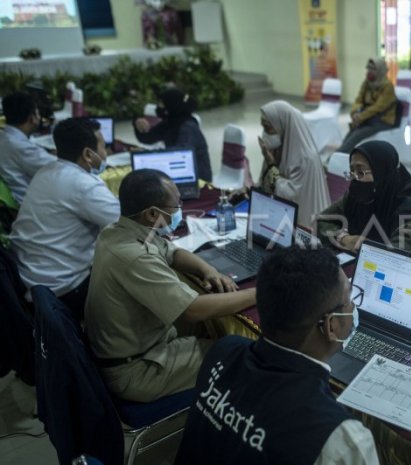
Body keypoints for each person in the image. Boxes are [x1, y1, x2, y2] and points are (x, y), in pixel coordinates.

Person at [175, 246, 411, 465]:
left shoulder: (222, 351)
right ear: (332, 326)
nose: (355, 306)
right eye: (351, 299)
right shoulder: (338, 437)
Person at [84, 169, 256, 402]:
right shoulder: (135, 257)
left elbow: (172, 252)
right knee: (242, 355)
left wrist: (208, 270)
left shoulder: (116, 231)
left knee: (215, 326)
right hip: (138, 370)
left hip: (139, 345)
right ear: (152, 213)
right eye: (176, 206)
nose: (180, 210)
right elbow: (193, 310)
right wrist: (258, 294)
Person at [10, 118, 119, 319]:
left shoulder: (47, 171)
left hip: (31, 280)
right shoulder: (83, 185)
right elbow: (128, 225)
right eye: (104, 146)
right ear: (88, 154)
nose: (106, 153)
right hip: (64, 288)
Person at [316, 141, 411, 260]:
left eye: (361, 172)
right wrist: (344, 238)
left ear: (383, 173)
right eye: (352, 172)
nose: (355, 179)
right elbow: (323, 220)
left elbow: (393, 261)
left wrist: (362, 247)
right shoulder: (356, 196)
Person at [257, 100, 330, 227]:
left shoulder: (306, 159)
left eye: (268, 128)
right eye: (263, 127)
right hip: (280, 218)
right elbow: (264, 185)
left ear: (283, 125)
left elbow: (291, 197)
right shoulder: (278, 147)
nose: (265, 134)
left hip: (306, 225)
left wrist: (271, 166)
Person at [133, 87, 213, 182]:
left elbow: (180, 155)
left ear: (172, 106)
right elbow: (147, 138)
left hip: (197, 178)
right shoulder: (170, 123)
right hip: (177, 172)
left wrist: (152, 156)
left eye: (162, 105)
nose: (159, 109)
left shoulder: (188, 127)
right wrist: (136, 122)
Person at [0, 91, 56, 203]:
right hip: (30, 205)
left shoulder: (5, 137)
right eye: (38, 113)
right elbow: (61, 168)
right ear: (32, 118)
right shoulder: (21, 148)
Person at [337, 57, 398, 154]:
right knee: (352, 131)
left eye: (372, 68)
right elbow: (359, 99)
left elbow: (378, 107)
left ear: (380, 70)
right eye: (368, 68)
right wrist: (355, 112)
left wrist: (360, 117)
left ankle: (335, 159)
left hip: (383, 120)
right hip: (369, 118)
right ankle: (338, 156)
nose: (369, 71)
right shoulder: (367, 83)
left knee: (357, 134)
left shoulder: (388, 86)